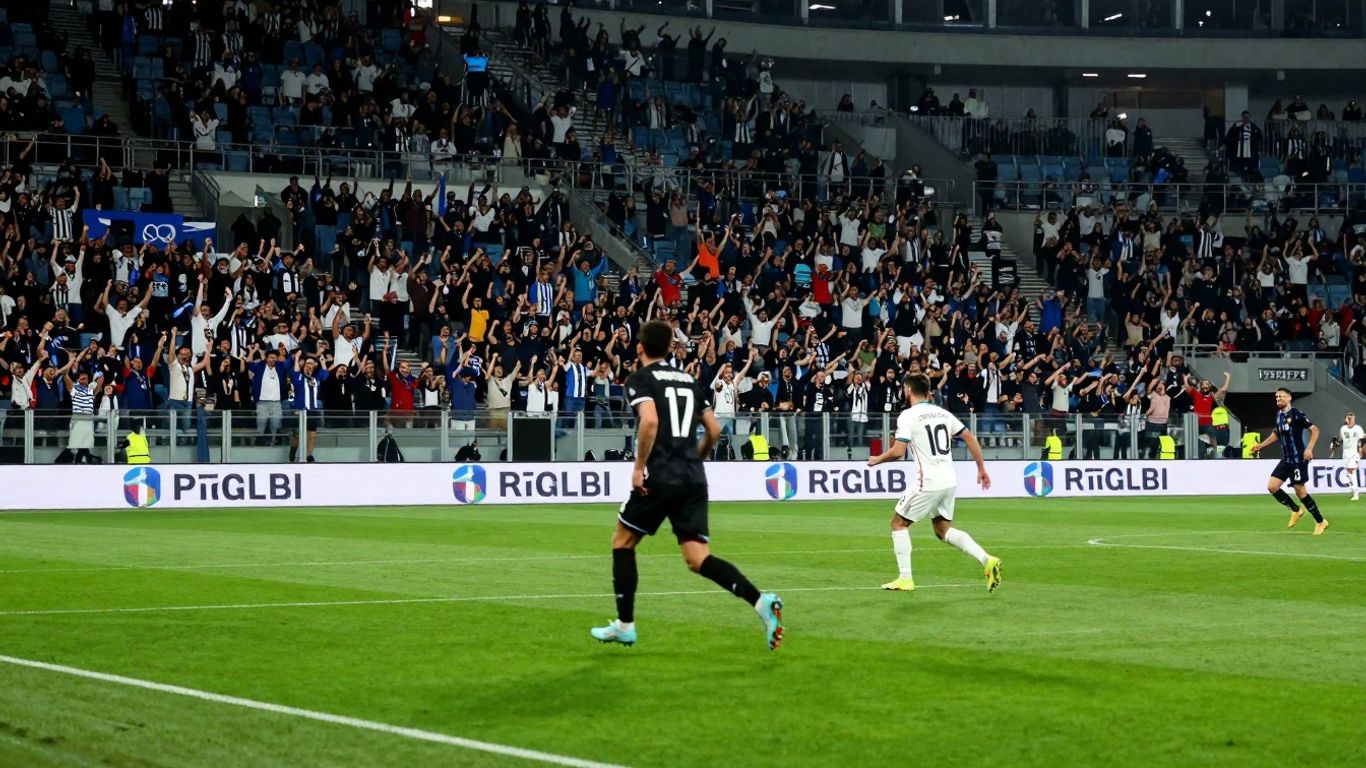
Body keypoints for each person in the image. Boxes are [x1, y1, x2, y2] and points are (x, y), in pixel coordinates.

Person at [590, 320, 784, 650]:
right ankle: (759, 601)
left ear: (639, 347)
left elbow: (649, 421)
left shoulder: (640, 379)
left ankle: (625, 624)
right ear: (669, 348)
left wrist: (639, 468)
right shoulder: (689, 380)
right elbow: (714, 430)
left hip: (660, 476)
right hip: (692, 477)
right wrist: (696, 459)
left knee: (623, 542)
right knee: (697, 557)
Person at [867, 373, 1002, 594]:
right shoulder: (943, 413)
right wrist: (981, 468)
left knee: (898, 524)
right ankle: (987, 559)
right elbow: (969, 437)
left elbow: (899, 453)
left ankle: (905, 578)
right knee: (942, 530)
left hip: (927, 482)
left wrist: (877, 459)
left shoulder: (908, 416)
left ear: (908, 390)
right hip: (949, 481)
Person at [1250, 388, 1327, 534]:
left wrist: (1309, 449)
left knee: (1301, 492)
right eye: (1277, 396)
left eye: (1282, 396)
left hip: (1298, 460)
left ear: (1289, 398)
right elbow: (1276, 434)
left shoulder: (1296, 414)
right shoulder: (1279, 415)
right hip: (1286, 460)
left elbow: (1315, 429)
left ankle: (1320, 521)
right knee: (1272, 487)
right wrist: (1260, 446)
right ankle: (1296, 510)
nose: (1278, 398)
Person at [1331, 412, 1364, 501]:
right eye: (1348, 418)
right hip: (1346, 454)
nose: (1349, 420)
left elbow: (1362, 441)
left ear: (1354, 419)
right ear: (1345, 419)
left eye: (1351, 418)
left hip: (1354, 454)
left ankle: (1356, 494)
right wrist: (1334, 445)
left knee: (1351, 470)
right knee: (1349, 473)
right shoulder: (1343, 429)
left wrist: (1361, 452)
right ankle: (1354, 491)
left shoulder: (1358, 429)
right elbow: (1340, 440)